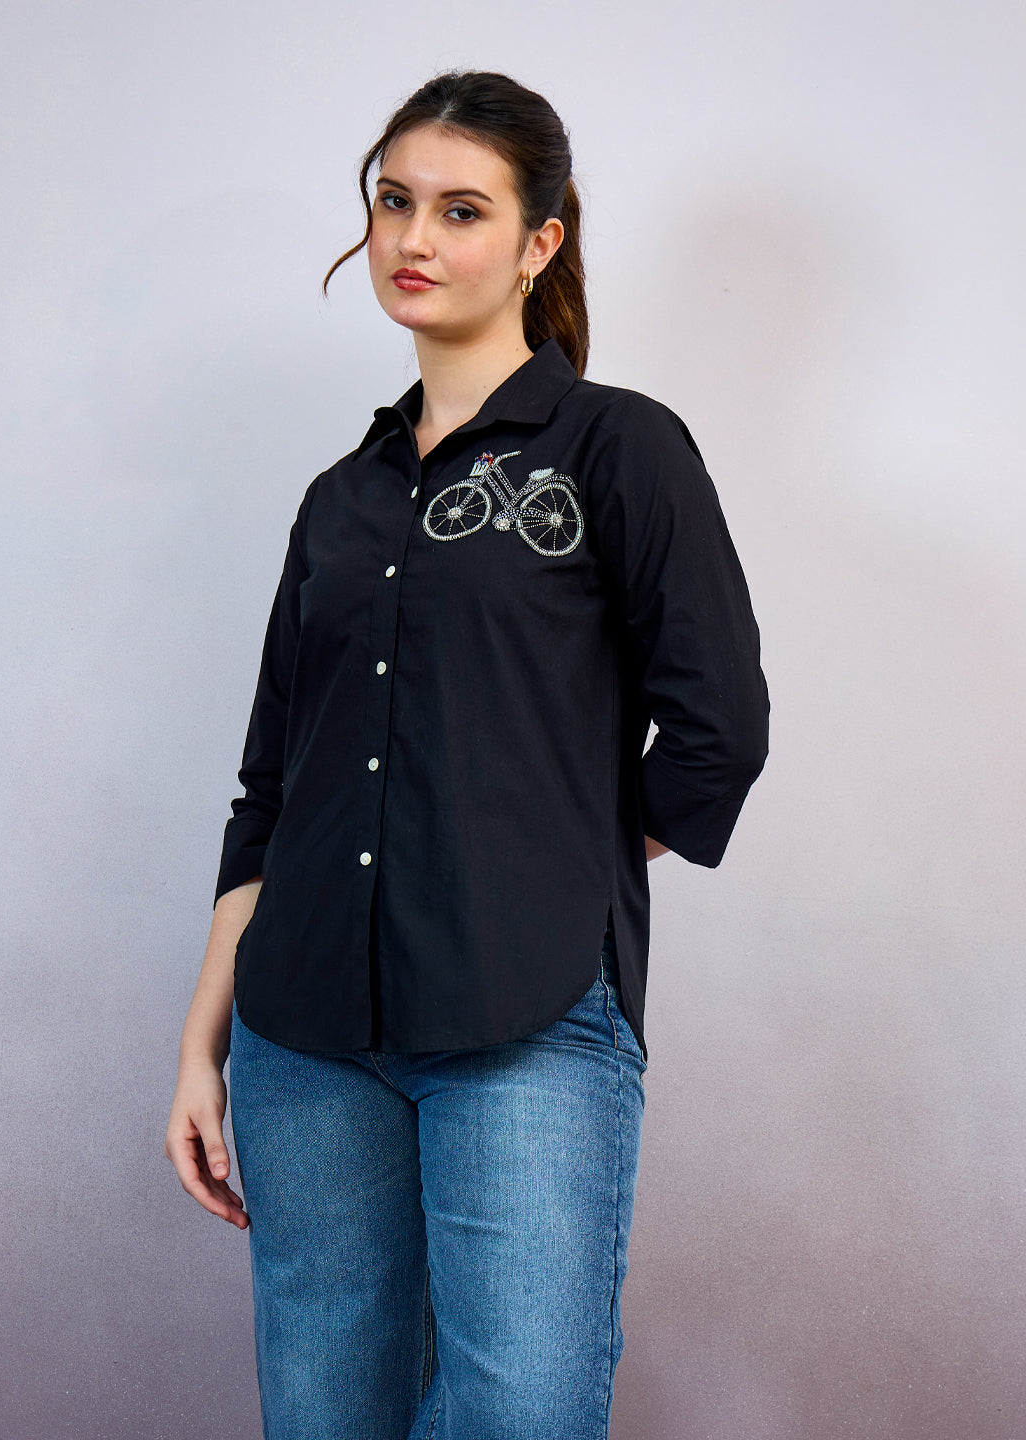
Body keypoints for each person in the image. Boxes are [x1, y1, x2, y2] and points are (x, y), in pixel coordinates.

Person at [165, 69, 769, 1440]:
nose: (413, 238)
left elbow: (717, 729)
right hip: (301, 1039)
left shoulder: (620, 449)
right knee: (328, 1417)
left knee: (524, 1415)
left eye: (461, 209)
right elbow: (272, 791)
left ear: (540, 240)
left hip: (528, 1022)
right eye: (394, 202)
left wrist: (557, 862)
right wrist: (202, 1047)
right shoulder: (339, 500)